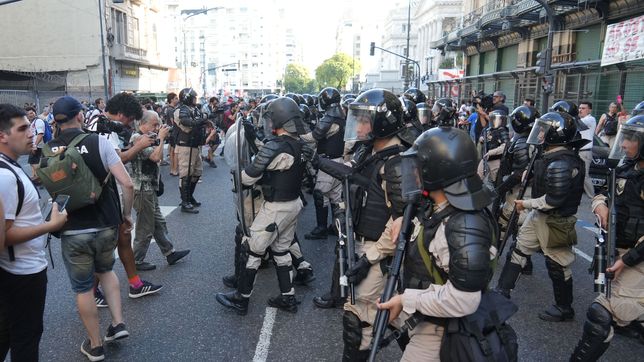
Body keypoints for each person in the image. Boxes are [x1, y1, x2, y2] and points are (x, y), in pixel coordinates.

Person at [377, 126, 497, 361]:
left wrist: (405, 300)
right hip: (428, 315)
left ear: (436, 172)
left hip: (443, 328)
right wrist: (403, 217)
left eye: (418, 167)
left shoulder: (463, 225)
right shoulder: (443, 205)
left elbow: (463, 299)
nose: (413, 174)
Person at [311, 89, 407, 358]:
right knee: (394, 315)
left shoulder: (395, 164)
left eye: (365, 120)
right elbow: (351, 174)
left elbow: (404, 223)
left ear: (382, 122)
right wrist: (317, 161)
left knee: (359, 321)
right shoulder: (371, 151)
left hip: (379, 251)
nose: (359, 126)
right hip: (364, 244)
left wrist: (369, 259)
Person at [48, 96, 137, 361]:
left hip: (72, 226)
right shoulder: (98, 141)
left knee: (83, 288)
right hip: (106, 223)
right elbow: (127, 184)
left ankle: (96, 344)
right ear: (80, 116)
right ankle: (118, 323)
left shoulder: (48, 148)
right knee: (106, 270)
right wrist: (126, 215)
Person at [216, 97, 307, 315]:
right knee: (281, 250)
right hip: (293, 204)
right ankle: (288, 298)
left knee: (252, 250)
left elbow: (248, 177)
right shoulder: (299, 144)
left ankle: (241, 299)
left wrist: (237, 174)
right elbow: (269, 155)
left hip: (276, 208)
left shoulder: (277, 146)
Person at [496, 110, 586, 322]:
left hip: (556, 220)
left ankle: (565, 308)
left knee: (557, 264)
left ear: (556, 134)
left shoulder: (562, 163)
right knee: (518, 250)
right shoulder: (550, 156)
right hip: (538, 216)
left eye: (544, 130)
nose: (540, 134)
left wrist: (524, 203)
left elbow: (553, 200)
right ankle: (501, 292)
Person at [570, 114, 644, 361]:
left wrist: (628, 260)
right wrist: (600, 204)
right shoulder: (629, 167)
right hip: (621, 250)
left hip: (638, 257)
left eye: (631, 139)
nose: (623, 143)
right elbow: (605, 191)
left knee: (601, 313)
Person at [0, 103, 67, 362]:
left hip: (21, 270)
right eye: (23, 128)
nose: (31, 133)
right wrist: (50, 225)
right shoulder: (5, 176)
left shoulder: (12, 166)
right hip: (20, 274)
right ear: (3, 136)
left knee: (9, 333)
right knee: (26, 338)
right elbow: (4, 236)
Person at [94, 93, 163, 307]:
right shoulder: (106, 127)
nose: (130, 124)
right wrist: (139, 145)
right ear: (122, 115)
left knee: (122, 238)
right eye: (130, 119)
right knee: (106, 245)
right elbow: (117, 159)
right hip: (102, 189)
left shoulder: (95, 119)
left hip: (104, 187)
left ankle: (135, 284)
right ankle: (92, 291)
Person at [130, 111, 190, 271]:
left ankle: (170, 252)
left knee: (158, 223)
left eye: (158, 124)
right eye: (154, 124)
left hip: (149, 188)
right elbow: (156, 158)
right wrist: (162, 137)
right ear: (142, 124)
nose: (157, 128)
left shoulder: (148, 138)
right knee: (145, 226)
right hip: (142, 189)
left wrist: (159, 137)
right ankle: (136, 260)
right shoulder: (137, 138)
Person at [302, 87, 346, 240]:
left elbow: (314, 136)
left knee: (320, 194)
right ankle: (336, 226)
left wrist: (297, 135)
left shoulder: (330, 117)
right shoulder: (342, 115)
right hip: (339, 161)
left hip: (327, 162)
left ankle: (321, 228)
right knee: (335, 196)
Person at [174, 88, 207, 214]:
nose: (195, 99)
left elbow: (201, 119)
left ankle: (189, 197)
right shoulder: (180, 111)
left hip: (195, 144)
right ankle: (185, 202)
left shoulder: (193, 109)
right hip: (186, 145)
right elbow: (187, 126)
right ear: (187, 97)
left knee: (197, 172)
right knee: (186, 173)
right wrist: (201, 120)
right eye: (193, 97)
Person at [578, 101, 597, 197]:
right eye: (580, 108)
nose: (580, 110)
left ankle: (594, 198)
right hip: (578, 151)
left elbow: (579, 122)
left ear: (589, 110)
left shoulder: (590, 119)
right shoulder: (580, 120)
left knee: (585, 176)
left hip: (585, 152)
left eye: (583, 108)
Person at [26, 106, 46, 182]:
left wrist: (35, 145)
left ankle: (41, 177)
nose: (30, 115)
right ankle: (36, 176)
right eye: (28, 114)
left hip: (38, 146)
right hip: (34, 145)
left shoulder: (38, 121)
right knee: (33, 162)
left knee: (34, 163)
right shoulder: (32, 122)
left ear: (35, 113)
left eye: (31, 113)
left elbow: (40, 134)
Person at [161, 93, 180, 176]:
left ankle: (172, 169)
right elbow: (174, 122)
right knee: (175, 152)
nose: (177, 100)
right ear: (171, 99)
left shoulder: (167, 108)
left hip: (170, 132)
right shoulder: (172, 110)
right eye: (176, 98)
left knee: (172, 151)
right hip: (174, 133)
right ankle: (175, 170)